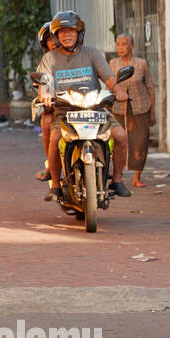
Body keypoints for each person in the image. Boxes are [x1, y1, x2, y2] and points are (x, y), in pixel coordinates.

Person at [36, 10, 131, 200]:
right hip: (64, 112)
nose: (67, 35)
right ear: (56, 35)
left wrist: (118, 90)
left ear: (80, 34)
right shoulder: (50, 59)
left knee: (120, 135)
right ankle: (55, 185)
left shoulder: (91, 53)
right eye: (62, 32)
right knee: (55, 139)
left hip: (94, 109)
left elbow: (109, 77)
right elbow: (43, 83)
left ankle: (117, 180)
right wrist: (45, 94)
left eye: (71, 31)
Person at [109, 33, 156, 189]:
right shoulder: (113, 63)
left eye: (124, 44)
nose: (120, 47)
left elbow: (150, 87)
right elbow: (109, 86)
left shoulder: (141, 64)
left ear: (132, 47)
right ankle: (118, 177)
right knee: (118, 142)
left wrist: (153, 111)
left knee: (140, 142)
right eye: (118, 44)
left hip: (140, 107)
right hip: (118, 108)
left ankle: (137, 177)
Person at [34, 21, 58, 182]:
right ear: (45, 43)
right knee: (46, 122)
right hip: (58, 106)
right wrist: (45, 97)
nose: (54, 42)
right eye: (50, 39)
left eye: (56, 38)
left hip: (83, 104)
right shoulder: (46, 61)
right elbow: (41, 86)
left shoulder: (81, 55)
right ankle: (51, 165)